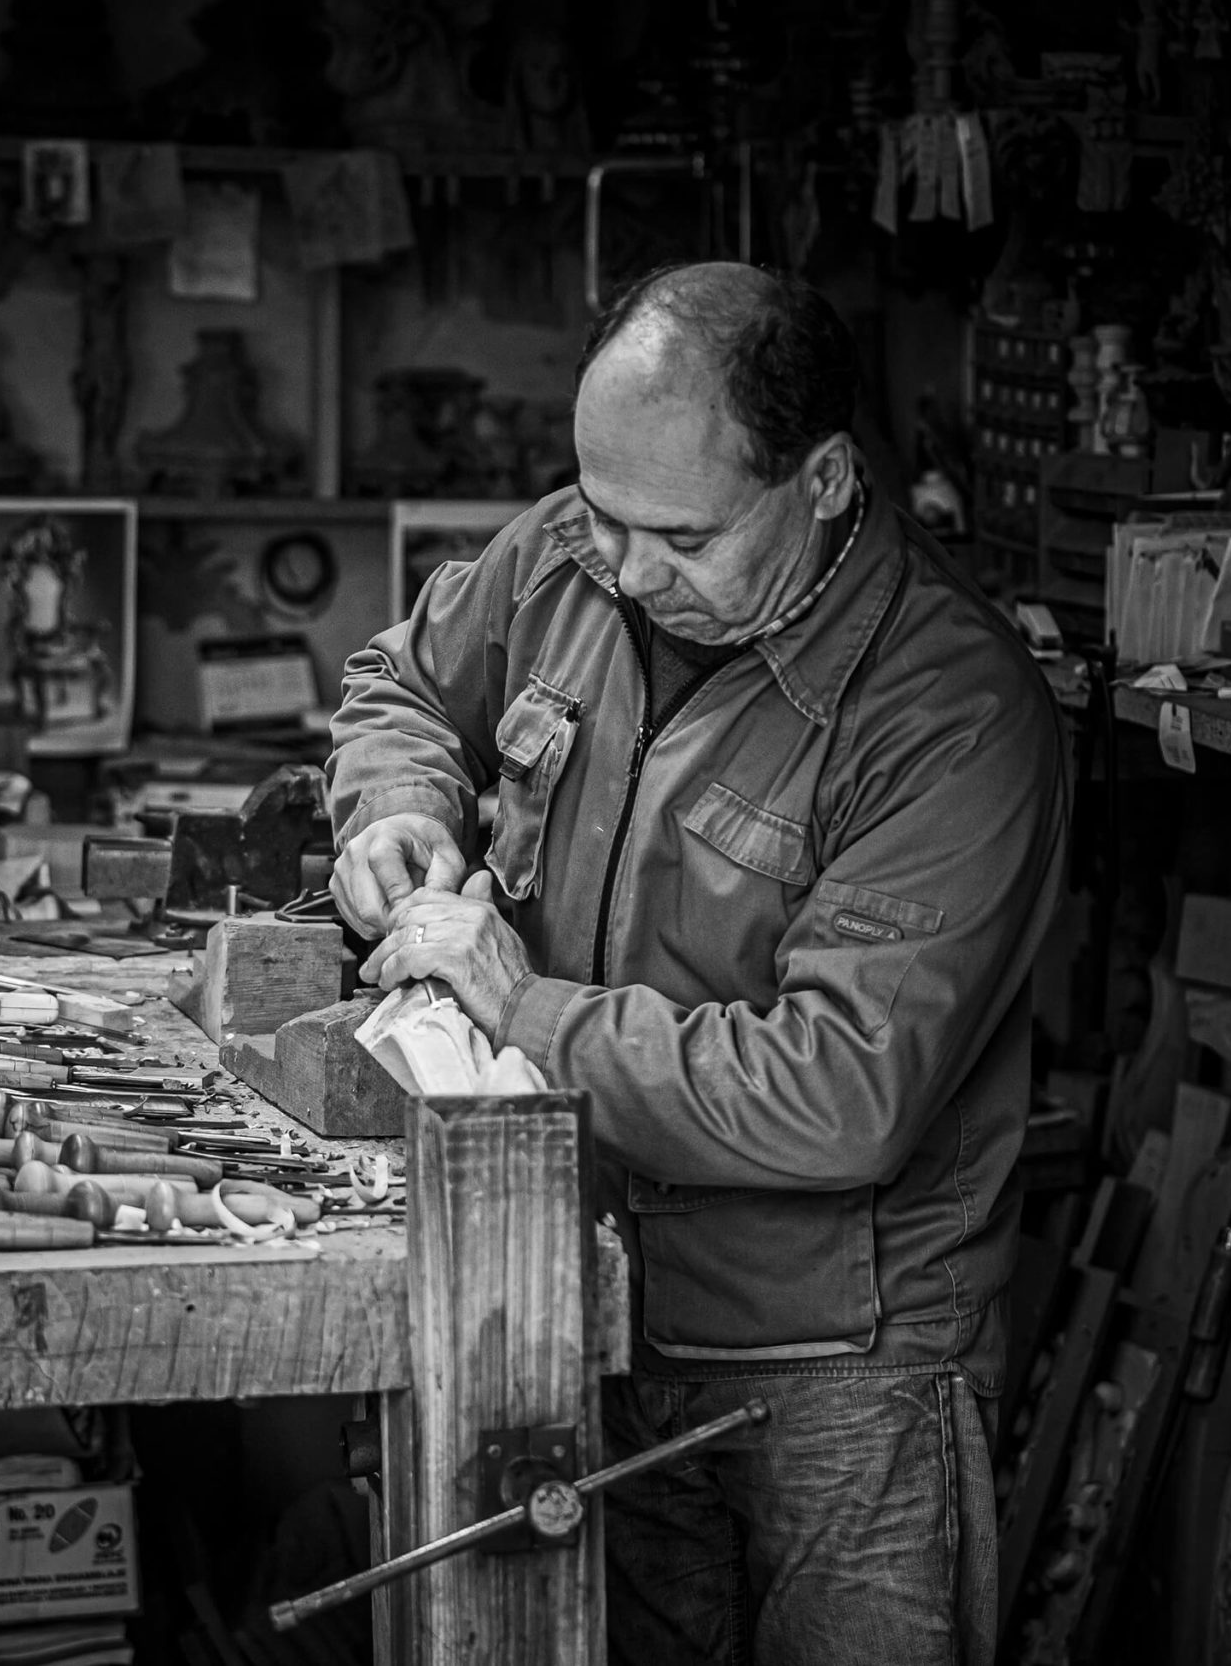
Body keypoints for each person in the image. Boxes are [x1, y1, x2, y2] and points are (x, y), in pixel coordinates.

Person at [324, 262, 1067, 1665]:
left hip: (837, 1377)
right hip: (587, 1305)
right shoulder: (576, 550)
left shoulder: (953, 715)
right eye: (602, 514)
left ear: (826, 482)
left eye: (681, 538)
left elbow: (842, 1089)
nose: (627, 570)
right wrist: (402, 804)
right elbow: (406, 681)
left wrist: (522, 1007)